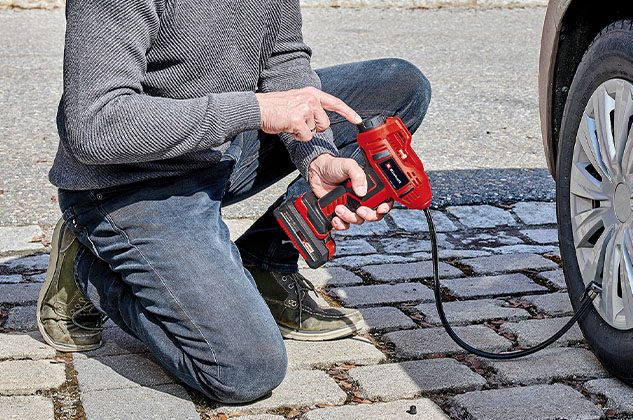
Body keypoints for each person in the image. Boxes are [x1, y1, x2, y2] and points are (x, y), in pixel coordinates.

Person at [36, 0, 430, 403]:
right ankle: (88, 264)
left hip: (221, 146)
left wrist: (318, 155)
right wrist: (255, 109)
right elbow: (94, 125)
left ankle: (264, 263)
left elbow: (284, 58)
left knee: (397, 87)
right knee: (245, 370)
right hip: (130, 181)